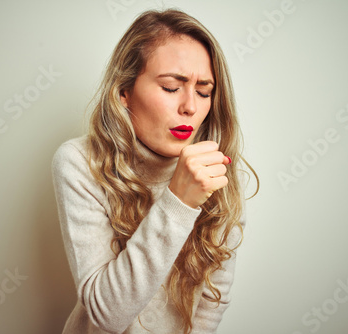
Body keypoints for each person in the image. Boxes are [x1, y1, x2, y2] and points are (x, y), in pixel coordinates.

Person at [52, 8, 258, 334]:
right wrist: (179, 199)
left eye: (204, 91)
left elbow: (211, 304)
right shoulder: (80, 162)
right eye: (171, 87)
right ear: (124, 92)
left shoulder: (217, 169)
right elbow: (107, 315)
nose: (190, 106)